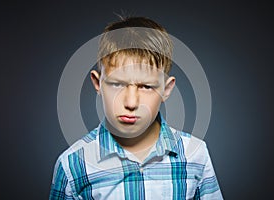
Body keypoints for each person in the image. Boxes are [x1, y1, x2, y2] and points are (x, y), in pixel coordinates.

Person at [49, 16, 223, 199]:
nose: (131, 103)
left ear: (167, 89)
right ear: (97, 83)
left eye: (146, 87)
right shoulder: (72, 165)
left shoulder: (195, 155)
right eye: (117, 84)